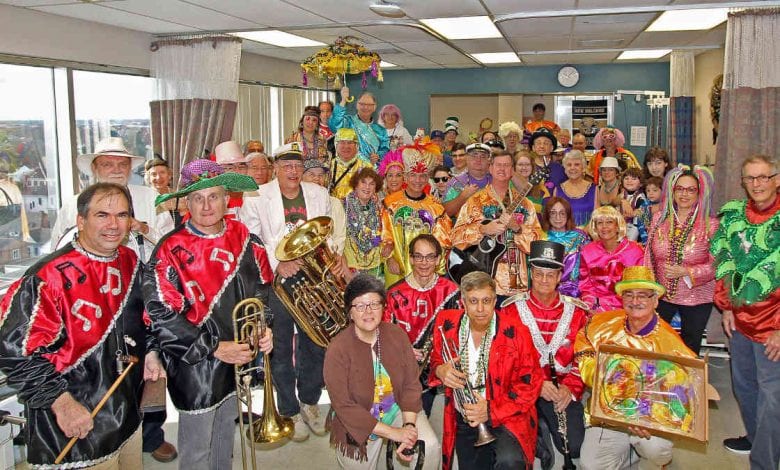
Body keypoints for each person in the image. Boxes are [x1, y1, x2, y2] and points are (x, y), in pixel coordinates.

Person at [0, 183, 149, 468]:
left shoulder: (128, 259)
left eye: (122, 215)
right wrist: (61, 402)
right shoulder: (46, 277)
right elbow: (14, 351)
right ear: (81, 221)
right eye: (102, 215)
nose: (114, 225)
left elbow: (141, 319)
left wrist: (151, 352)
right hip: (75, 418)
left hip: (126, 409)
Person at [143, 160, 273, 469]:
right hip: (195, 365)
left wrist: (260, 327)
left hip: (236, 360)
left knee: (224, 443)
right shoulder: (169, 249)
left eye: (213, 196)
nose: (206, 205)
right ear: (186, 202)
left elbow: (262, 291)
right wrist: (215, 348)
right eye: (197, 198)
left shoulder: (245, 238)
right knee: (197, 450)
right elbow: (161, 315)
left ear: (227, 199)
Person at [246, 143, 335, 442]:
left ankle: (309, 401)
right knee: (280, 346)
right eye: (286, 166)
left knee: (317, 342)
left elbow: (327, 234)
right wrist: (279, 261)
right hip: (278, 281)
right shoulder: (257, 196)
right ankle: (288, 408)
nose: (293, 171)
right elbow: (253, 240)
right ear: (275, 169)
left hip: (311, 278)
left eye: (297, 166)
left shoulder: (319, 194)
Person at [575, 266, 695, 470]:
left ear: (655, 300)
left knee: (656, 450)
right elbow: (583, 342)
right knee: (590, 465)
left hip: (648, 419)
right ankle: (628, 455)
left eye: (643, 295)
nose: (635, 301)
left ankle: (651, 455)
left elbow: (685, 392)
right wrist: (600, 374)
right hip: (609, 412)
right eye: (628, 294)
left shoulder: (671, 343)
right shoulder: (603, 323)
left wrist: (647, 417)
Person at [324, 274, 441, 470]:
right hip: (356, 420)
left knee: (429, 447)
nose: (368, 311)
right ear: (349, 313)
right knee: (357, 465)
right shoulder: (337, 349)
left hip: (395, 408)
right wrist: (393, 433)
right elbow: (343, 406)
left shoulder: (396, 334)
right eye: (360, 306)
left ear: (383, 307)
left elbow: (411, 384)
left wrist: (409, 426)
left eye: (374, 304)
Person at [429, 271, 543, 470]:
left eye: (486, 301)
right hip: (463, 416)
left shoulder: (517, 331)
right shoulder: (446, 323)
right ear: (462, 302)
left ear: (495, 301)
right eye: (473, 301)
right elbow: (436, 360)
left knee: (510, 462)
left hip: (507, 417)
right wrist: (440, 370)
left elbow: (531, 383)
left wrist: (490, 410)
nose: (480, 309)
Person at [711, 155, 780, 467]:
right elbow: (726, 261)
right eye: (751, 178)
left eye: (764, 177)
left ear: (776, 180)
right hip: (740, 323)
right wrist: (726, 307)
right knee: (745, 387)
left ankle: (764, 460)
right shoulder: (734, 216)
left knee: (773, 399)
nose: (757, 184)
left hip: (773, 329)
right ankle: (757, 437)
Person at [501, 240, 588, 469]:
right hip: (523, 386)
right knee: (522, 444)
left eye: (550, 275)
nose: (544, 280)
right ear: (531, 273)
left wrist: (571, 387)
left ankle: (544, 422)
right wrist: (537, 384)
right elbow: (505, 357)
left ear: (560, 276)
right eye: (538, 274)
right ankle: (538, 424)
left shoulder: (577, 312)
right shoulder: (511, 309)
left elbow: (585, 356)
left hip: (562, 387)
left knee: (575, 445)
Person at [51, 137, 169, 264]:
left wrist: (145, 229)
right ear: (94, 168)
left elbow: (171, 244)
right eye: (107, 164)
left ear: (130, 168)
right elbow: (57, 251)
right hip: (91, 279)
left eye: (123, 164)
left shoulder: (150, 198)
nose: (116, 170)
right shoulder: (73, 206)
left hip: (144, 279)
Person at [644, 165, 718, 355]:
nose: (684, 194)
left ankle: (687, 383)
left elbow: (717, 264)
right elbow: (649, 256)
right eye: (680, 189)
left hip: (698, 296)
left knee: (690, 345)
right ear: (672, 191)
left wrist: (688, 272)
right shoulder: (659, 218)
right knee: (656, 341)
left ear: (699, 193)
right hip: (662, 294)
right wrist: (649, 288)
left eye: (691, 189)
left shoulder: (710, 225)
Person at [384, 234, 460, 415]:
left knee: (421, 415)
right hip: (401, 370)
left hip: (435, 369)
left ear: (438, 259)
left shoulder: (451, 291)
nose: (424, 263)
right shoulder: (394, 293)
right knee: (397, 418)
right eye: (418, 256)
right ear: (410, 258)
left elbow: (457, 334)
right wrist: (403, 351)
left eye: (430, 257)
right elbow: (383, 335)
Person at [451, 150, 541, 298]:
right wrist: (482, 229)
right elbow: (456, 236)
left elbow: (536, 243)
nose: (502, 169)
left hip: (516, 280)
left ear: (512, 170)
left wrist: (518, 229)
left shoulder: (525, 204)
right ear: (490, 168)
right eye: (498, 165)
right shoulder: (476, 201)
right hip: (481, 278)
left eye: (507, 165)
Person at [382, 140, 452, 287]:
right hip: (397, 269)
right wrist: (388, 258)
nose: (417, 180)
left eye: (422, 176)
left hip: (427, 272)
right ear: (406, 177)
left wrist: (436, 270)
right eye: (413, 175)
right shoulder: (390, 203)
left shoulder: (436, 208)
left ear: (427, 179)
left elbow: (442, 242)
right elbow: (384, 233)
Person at [579, 205, 644, 313]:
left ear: (618, 226)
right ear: (595, 228)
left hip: (627, 308)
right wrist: (589, 304)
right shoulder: (587, 251)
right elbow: (585, 285)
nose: (604, 226)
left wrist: (610, 308)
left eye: (609, 222)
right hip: (595, 308)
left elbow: (638, 287)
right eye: (600, 223)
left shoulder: (635, 251)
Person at [540, 197, 590, 297]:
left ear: (568, 215)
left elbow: (588, 266)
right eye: (553, 213)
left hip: (576, 291)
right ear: (547, 215)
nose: (557, 217)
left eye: (562, 213)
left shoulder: (580, 237)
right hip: (547, 290)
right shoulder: (541, 237)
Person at [344, 167, 387, 278]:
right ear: (355, 184)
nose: (367, 187)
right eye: (363, 182)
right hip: (350, 267)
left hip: (376, 267)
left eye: (372, 184)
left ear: (376, 188)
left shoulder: (380, 208)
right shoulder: (343, 205)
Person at [330, 86, 389, 166]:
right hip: (349, 170)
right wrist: (343, 100)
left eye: (369, 105)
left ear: (374, 107)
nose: (365, 107)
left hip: (372, 172)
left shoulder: (381, 130)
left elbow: (385, 150)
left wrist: (378, 156)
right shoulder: (348, 122)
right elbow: (334, 125)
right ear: (357, 105)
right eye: (362, 104)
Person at [302, 158, 346, 256]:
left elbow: (340, 236)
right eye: (311, 174)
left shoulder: (335, 203)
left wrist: (335, 258)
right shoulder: (297, 202)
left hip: (330, 257)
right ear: (301, 177)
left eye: (320, 175)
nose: (317, 178)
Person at [443, 142, 493, 218]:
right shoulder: (456, 182)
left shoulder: (497, 181)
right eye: (474, 156)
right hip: (463, 228)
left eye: (483, 156)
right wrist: (462, 196)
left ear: (488, 160)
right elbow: (445, 213)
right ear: (467, 159)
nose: (478, 160)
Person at [553, 150, 597, 227]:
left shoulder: (594, 189)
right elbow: (554, 217)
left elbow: (597, 217)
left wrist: (582, 233)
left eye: (577, 164)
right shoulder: (557, 190)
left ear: (583, 168)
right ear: (565, 169)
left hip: (587, 235)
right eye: (569, 165)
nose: (572, 168)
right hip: (563, 235)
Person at [330, 128, 373, 200]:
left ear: (357, 146)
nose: (346, 146)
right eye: (342, 142)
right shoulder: (327, 167)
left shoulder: (367, 168)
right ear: (336, 145)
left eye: (350, 142)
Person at [145, 157, 183, 233]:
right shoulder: (144, 199)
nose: (158, 177)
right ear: (149, 178)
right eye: (154, 174)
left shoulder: (179, 196)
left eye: (162, 172)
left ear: (169, 175)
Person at [0, 159, 31, 242]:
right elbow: (23, 213)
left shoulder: (10, 187)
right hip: (13, 233)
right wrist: (26, 235)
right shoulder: (14, 187)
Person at [529, 127, 566, 192]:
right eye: (538, 143)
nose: (542, 146)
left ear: (552, 148)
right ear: (533, 148)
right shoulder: (526, 167)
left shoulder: (560, 169)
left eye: (545, 143)